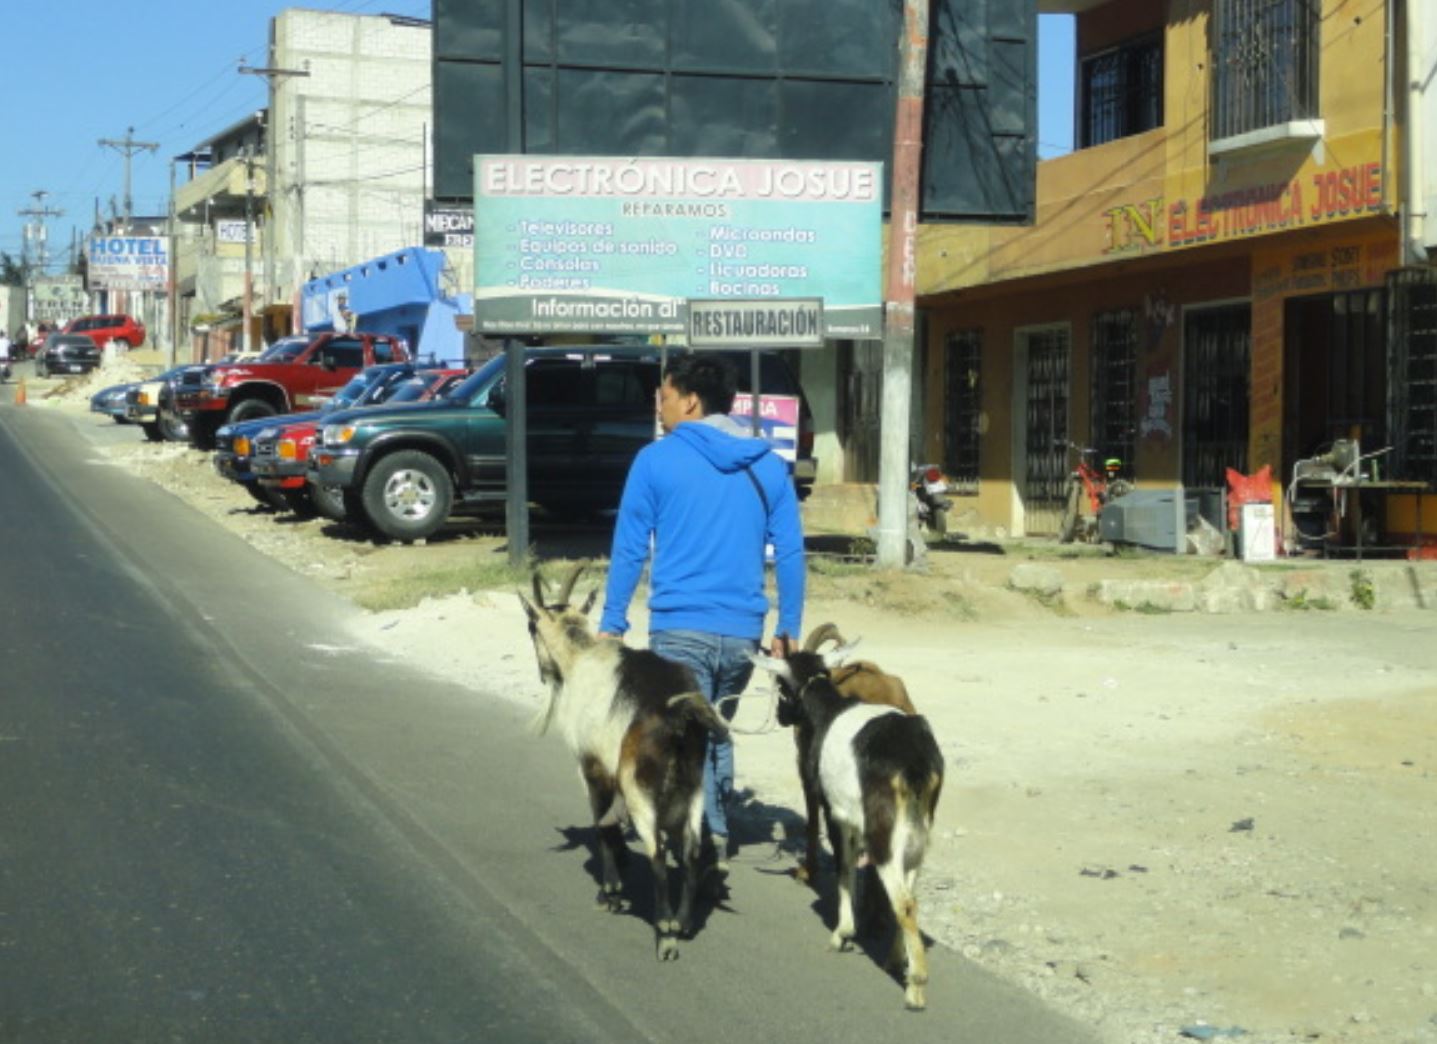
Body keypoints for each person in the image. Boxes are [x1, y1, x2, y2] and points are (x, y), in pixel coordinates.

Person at [598, 351, 806, 873]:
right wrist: (788, 626)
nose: (659, 406)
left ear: (691, 401)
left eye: (665, 396)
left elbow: (629, 547)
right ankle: (713, 830)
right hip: (742, 635)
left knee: (685, 738)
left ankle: (703, 837)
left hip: (678, 630)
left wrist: (613, 622)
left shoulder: (654, 461)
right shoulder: (766, 464)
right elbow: (790, 550)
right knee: (713, 729)